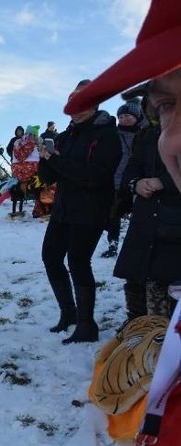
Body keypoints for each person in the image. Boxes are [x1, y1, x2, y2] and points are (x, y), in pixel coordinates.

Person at [54, 2, 181, 446]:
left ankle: (85, 319)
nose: (175, 140)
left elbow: (106, 175)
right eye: (169, 107)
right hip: (140, 232)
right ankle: (85, 322)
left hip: (103, 218)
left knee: (90, 273)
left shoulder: (105, 137)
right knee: (144, 313)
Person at [37, 79, 122, 344]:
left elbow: (93, 177)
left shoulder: (106, 134)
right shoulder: (65, 136)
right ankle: (69, 313)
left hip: (92, 208)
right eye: (73, 105)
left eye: (83, 104)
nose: (77, 110)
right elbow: (50, 176)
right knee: (50, 256)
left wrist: (57, 160)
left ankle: (87, 325)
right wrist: (43, 157)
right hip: (64, 207)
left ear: (95, 104)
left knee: (77, 261)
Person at [113, 107, 180, 320]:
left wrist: (164, 181)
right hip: (148, 216)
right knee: (147, 276)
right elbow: (133, 167)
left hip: (175, 217)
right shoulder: (147, 135)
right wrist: (136, 183)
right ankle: (147, 333)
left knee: (173, 282)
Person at [100, 100, 146, 258]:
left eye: (127, 116)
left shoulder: (145, 132)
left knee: (140, 216)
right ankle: (113, 244)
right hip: (116, 180)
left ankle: (140, 247)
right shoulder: (113, 133)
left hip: (139, 180)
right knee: (112, 215)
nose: (123, 119)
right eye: (121, 116)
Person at [10, 125, 41, 218]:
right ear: (32, 134)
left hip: (18, 171)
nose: (36, 137)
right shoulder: (30, 141)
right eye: (35, 135)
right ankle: (40, 210)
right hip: (27, 170)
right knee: (43, 181)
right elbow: (23, 155)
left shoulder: (19, 141)